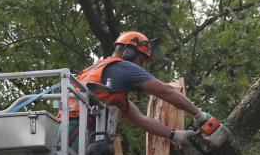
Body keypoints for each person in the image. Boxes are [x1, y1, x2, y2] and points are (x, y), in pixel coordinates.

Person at [69, 30, 214, 143]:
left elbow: (141, 119)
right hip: (79, 131)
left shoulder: (101, 75)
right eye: (141, 61)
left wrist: (174, 135)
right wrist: (200, 115)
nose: (141, 67)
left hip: (68, 128)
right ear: (129, 52)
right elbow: (167, 91)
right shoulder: (122, 66)